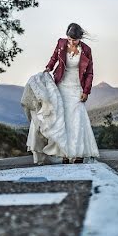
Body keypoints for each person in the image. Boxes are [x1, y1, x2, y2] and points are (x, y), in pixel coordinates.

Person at [44, 23, 100, 164]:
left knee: (77, 120)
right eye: (69, 39)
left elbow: (89, 73)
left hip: (77, 88)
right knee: (64, 120)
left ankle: (79, 154)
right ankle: (65, 154)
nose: (71, 42)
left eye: (74, 40)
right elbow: (54, 58)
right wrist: (48, 68)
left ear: (80, 38)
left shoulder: (86, 50)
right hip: (61, 86)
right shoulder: (61, 43)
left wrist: (86, 91)